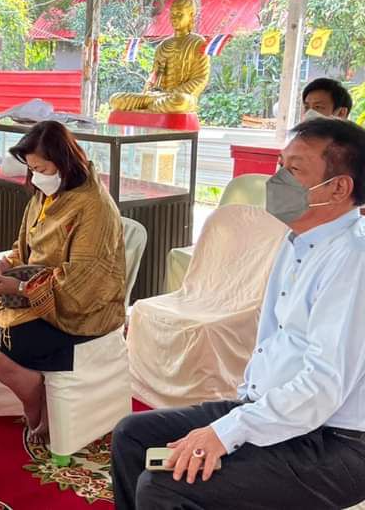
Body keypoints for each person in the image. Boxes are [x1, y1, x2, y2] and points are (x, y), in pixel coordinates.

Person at [111, 117, 365, 510]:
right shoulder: (296, 240)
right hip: (277, 411)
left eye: (294, 170)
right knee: (133, 436)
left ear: (339, 188)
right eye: (279, 165)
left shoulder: (352, 260)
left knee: (164, 485)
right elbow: (273, 339)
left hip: (335, 441)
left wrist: (227, 431)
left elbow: (323, 387)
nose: (276, 180)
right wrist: (241, 412)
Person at [0, 121, 127, 444]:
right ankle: (39, 392)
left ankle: (37, 409)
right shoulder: (46, 194)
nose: (35, 176)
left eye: (41, 169)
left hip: (83, 309)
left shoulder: (94, 207)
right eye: (31, 169)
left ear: (64, 162)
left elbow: (83, 284)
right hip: (41, 295)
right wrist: (2, 264)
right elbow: (24, 249)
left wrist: (21, 288)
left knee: (3, 358)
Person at [109, 0, 210, 113]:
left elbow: (201, 78)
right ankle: (151, 106)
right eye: (172, 14)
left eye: (179, 14)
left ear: (191, 15)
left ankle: (149, 108)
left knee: (180, 101)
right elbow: (154, 76)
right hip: (157, 96)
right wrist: (149, 91)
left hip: (178, 97)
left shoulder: (198, 43)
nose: (174, 18)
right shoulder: (162, 45)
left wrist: (172, 93)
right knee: (116, 100)